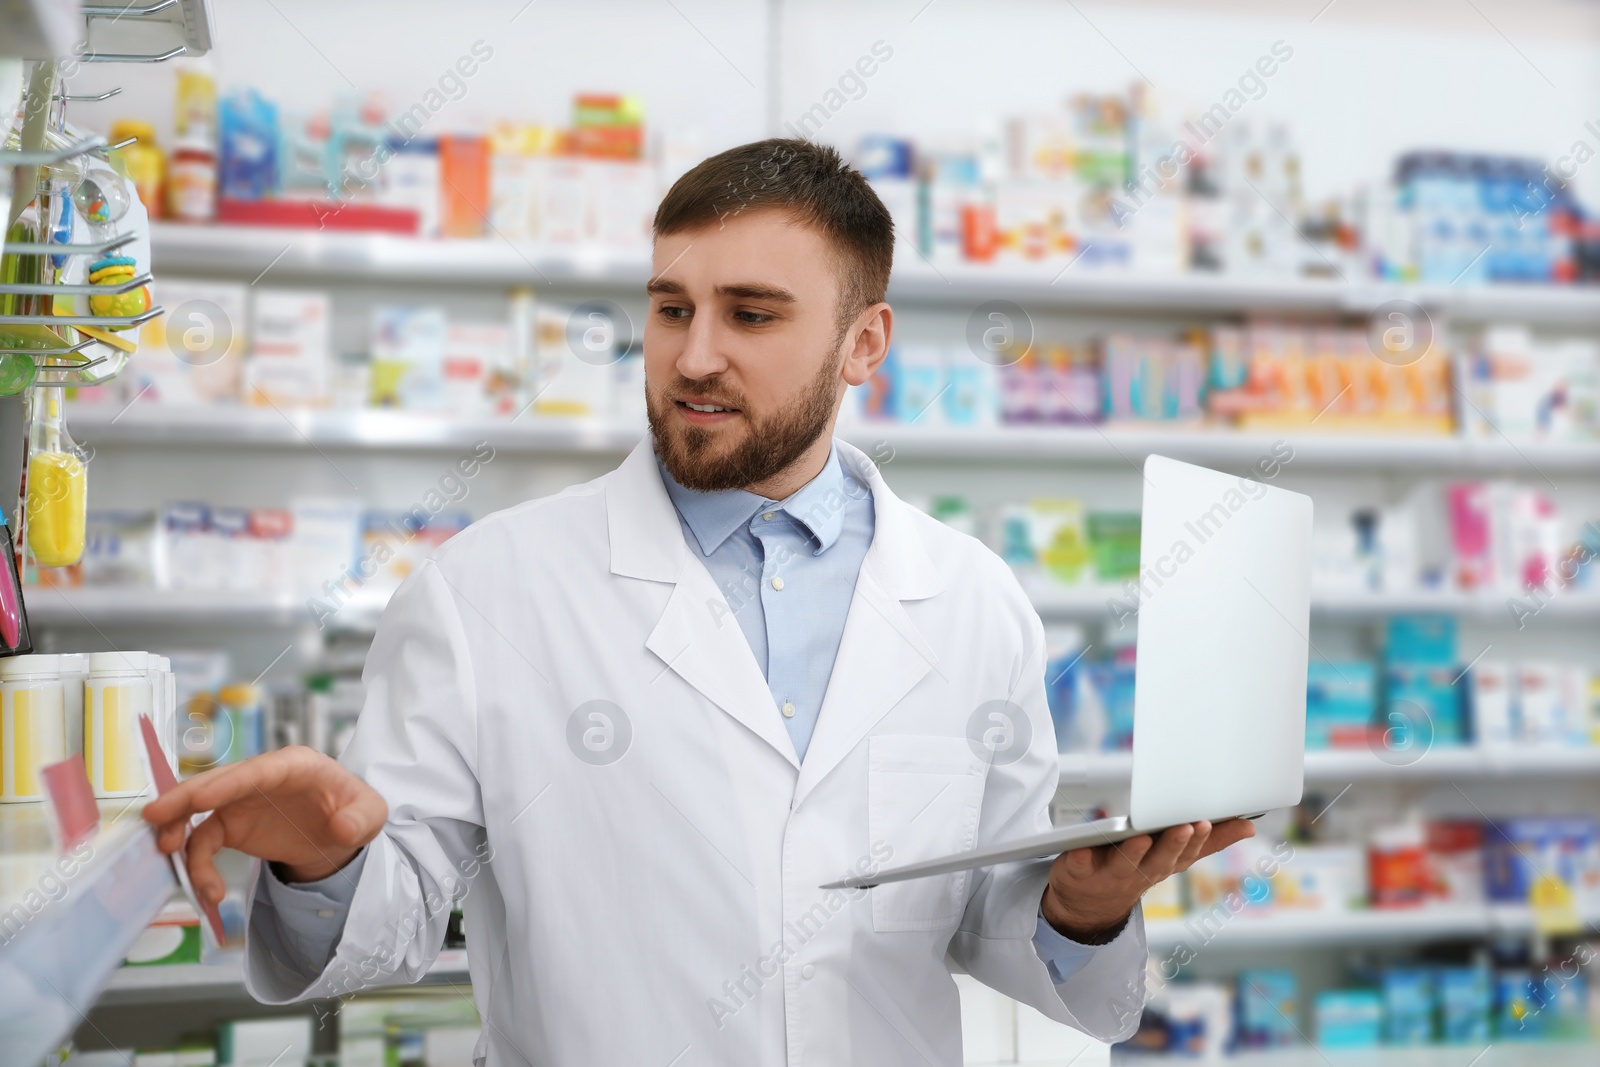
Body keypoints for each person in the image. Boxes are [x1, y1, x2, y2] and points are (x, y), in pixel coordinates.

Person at [144, 138, 1252, 1064]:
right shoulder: (489, 585)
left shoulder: (971, 601)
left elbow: (981, 919)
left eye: (752, 315)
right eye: (672, 307)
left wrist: (1082, 908)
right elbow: (390, 929)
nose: (694, 355)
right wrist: (326, 857)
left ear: (863, 342)